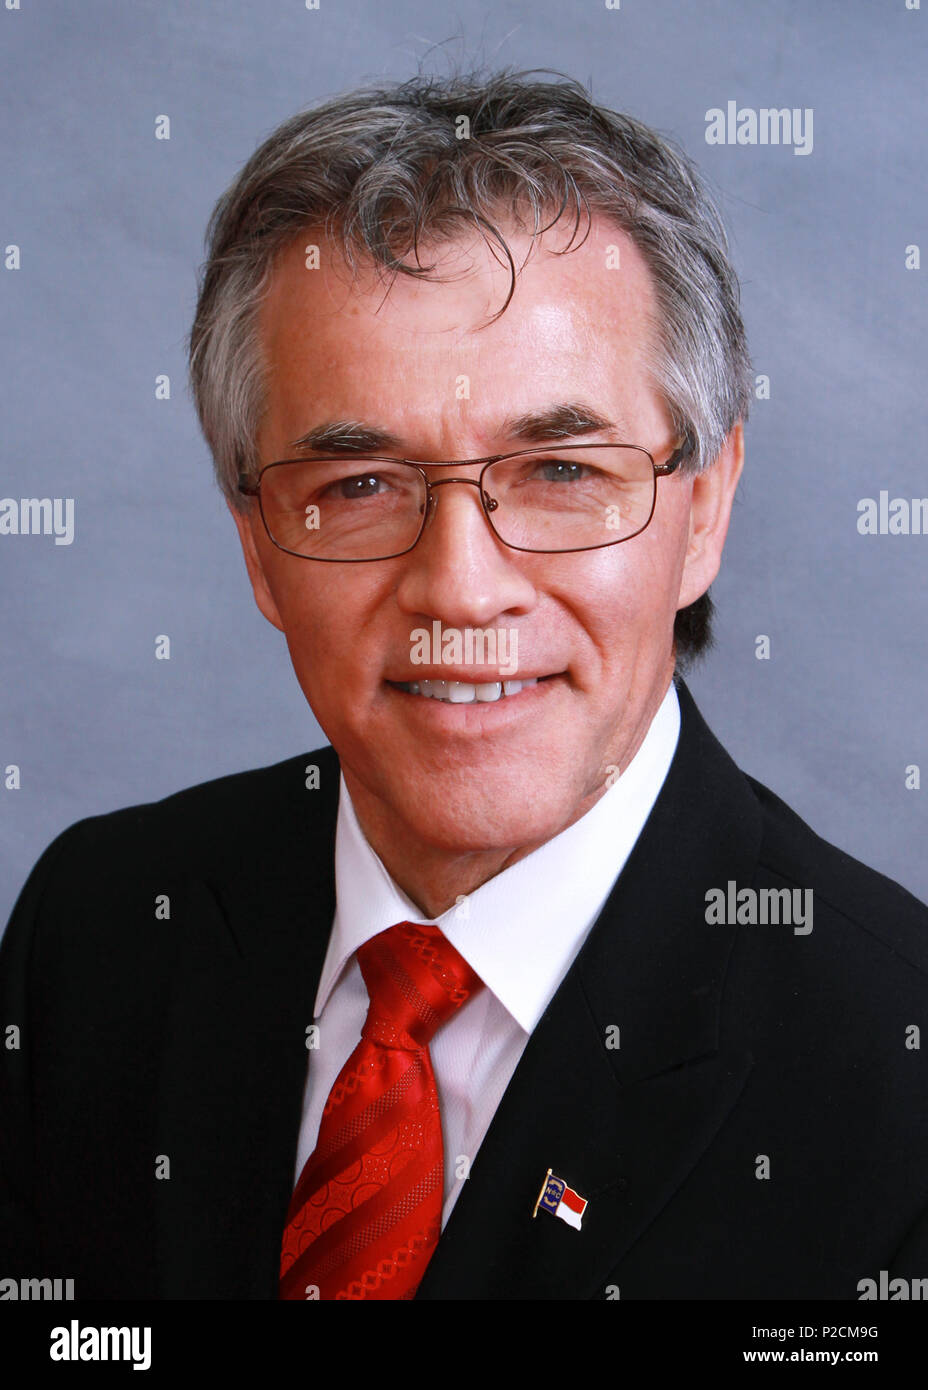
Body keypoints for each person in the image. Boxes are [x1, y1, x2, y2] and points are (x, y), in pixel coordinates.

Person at [2, 69, 926, 1302]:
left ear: (702, 509)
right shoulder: (98, 929)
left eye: (559, 470)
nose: (460, 589)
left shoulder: (894, 1075)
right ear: (257, 543)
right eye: (360, 485)